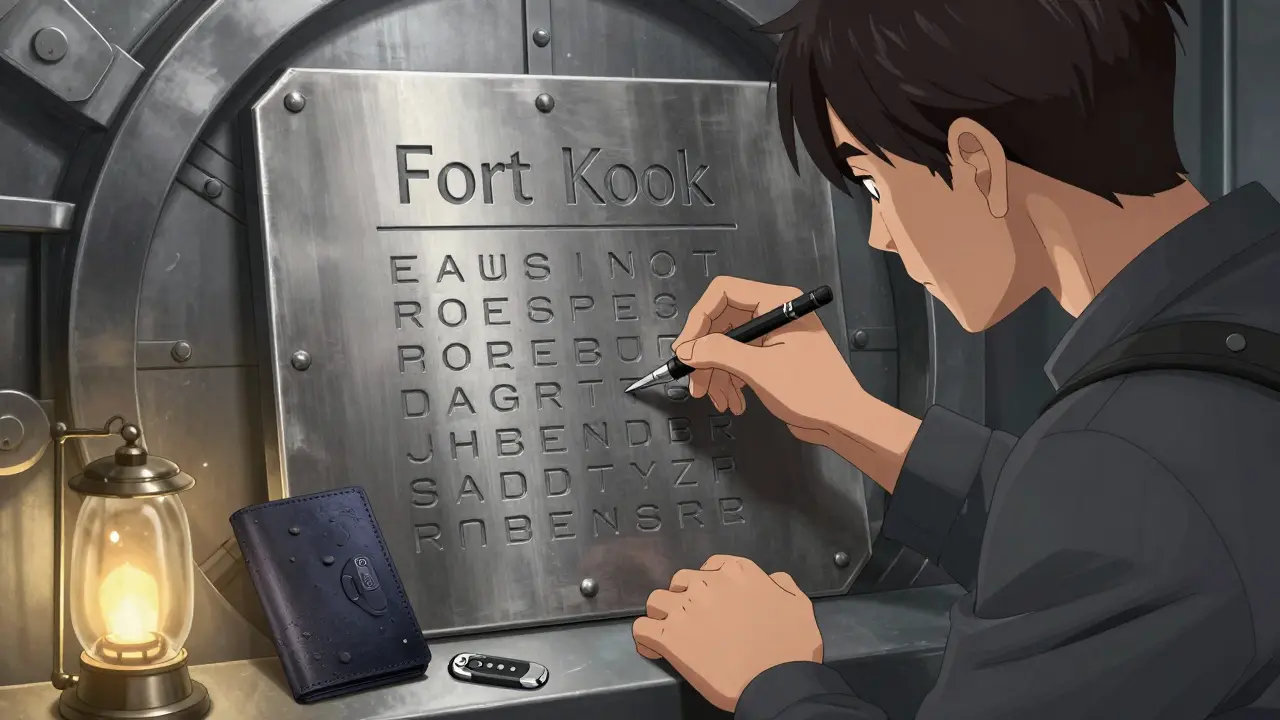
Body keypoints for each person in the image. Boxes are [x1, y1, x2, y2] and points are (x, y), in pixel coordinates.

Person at [630, 1, 1280, 718]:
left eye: (873, 182)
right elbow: (1134, 535)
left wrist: (771, 677)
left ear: (977, 162)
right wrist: (847, 417)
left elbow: (1124, 510)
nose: (879, 234)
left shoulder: (1125, 462)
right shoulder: (1247, 297)